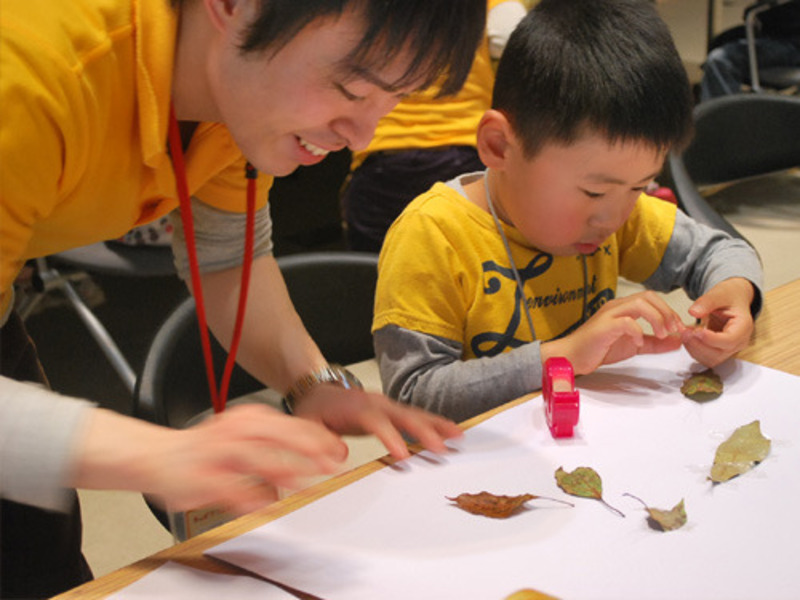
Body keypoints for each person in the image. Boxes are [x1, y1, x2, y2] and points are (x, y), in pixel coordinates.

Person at [0, 0, 485, 596]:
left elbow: (228, 257)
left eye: (396, 99)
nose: (363, 136)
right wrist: (153, 454)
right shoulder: (29, 77)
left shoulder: (234, 89)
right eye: (352, 89)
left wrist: (312, 383)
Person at [372, 0, 764, 424]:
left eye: (639, 187)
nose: (612, 219)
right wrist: (563, 355)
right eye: (594, 192)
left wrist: (735, 293)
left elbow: (720, 251)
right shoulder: (433, 234)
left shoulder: (618, 210)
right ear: (499, 146)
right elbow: (412, 397)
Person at [341, 0, 527, 253]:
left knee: (378, 270)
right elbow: (511, 38)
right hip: (466, 157)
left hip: (382, 163)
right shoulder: (491, 4)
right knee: (474, 267)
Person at [700, 0, 800, 100]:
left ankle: (725, 109)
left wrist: (754, 10)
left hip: (791, 45)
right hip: (776, 39)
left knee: (720, 59)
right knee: (719, 42)